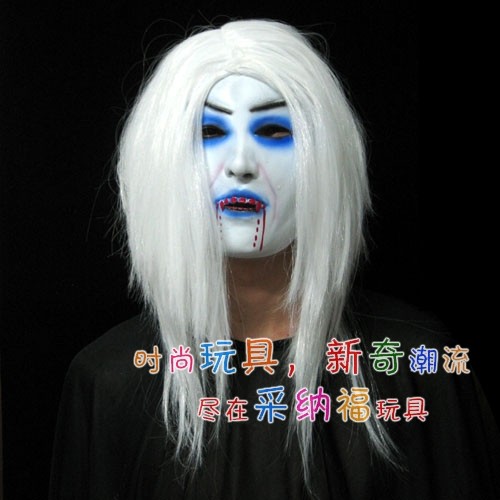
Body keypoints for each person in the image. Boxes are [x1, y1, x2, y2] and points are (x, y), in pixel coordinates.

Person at [50, 19, 499, 500]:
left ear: (325, 156)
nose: (241, 164)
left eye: (272, 130)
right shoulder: (109, 380)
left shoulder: (417, 366)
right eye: (210, 131)